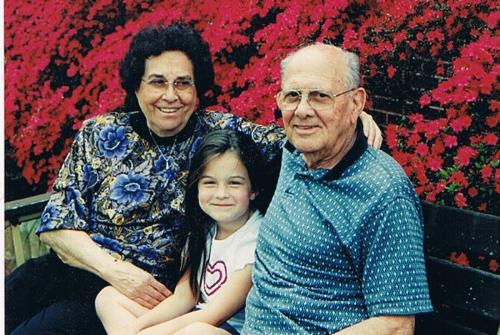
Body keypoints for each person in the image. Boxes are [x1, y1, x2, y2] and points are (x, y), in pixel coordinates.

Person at [5, 24, 381, 335]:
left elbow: (296, 135)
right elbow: (57, 225)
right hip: (86, 272)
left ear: (198, 89)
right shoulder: (99, 133)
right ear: (136, 87)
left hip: (141, 297)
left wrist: (351, 117)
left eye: (183, 83)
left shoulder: (218, 132)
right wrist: (117, 272)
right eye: (157, 82)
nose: (171, 96)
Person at [242, 43, 433, 335]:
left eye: (321, 96)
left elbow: (396, 326)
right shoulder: (293, 152)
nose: (303, 110)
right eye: (293, 96)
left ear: (356, 102)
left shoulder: (383, 193)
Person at [95, 129, 271, 335]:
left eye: (234, 183)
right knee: (109, 298)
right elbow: (184, 297)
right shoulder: (205, 229)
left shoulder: (256, 239)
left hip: (227, 329)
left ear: (253, 190)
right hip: (193, 319)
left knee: (196, 331)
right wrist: (135, 329)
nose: (221, 194)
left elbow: (213, 315)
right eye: (210, 182)